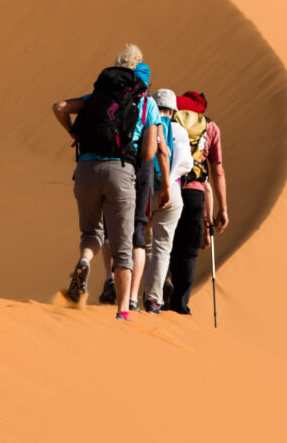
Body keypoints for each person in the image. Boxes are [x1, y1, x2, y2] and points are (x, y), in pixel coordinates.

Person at [51, 44, 154, 321]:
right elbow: (148, 153)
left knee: (91, 233)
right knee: (123, 249)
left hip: (85, 167)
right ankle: (123, 311)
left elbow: (59, 107)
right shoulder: (145, 102)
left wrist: (74, 131)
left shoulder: (97, 95)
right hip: (121, 171)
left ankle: (84, 261)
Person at [99, 61, 161, 310]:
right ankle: (133, 297)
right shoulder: (149, 104)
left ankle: (110, 279)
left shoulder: (111, 97)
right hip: (139, 167)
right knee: (137, 231)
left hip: (112, 163)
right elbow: (151, 152)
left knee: (109, 225)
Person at [166, 90, 229, 315]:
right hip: (195, 193)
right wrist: (223, 209)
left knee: (163, 243)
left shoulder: (169, 120)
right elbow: (217, 171)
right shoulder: (210, 128)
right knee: (188, 251)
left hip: (166, 187)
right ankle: (180, 305)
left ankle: (159, 290)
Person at [142, 88, 191, 314]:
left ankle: (132, 297)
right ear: (173, 110)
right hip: (170, 193)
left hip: (145, 191)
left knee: (144, 244)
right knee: (163, 248)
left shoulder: (147, 125)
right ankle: (153, 300)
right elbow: (185, 163)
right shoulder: (178, 130)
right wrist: (169, 183)